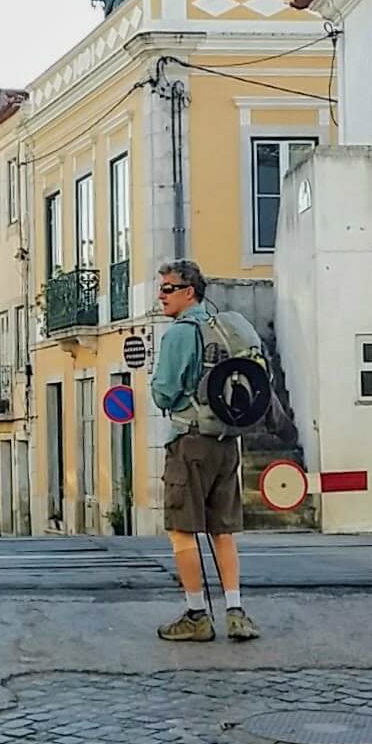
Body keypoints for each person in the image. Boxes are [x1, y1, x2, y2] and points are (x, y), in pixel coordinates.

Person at [149, 260, 262, 643]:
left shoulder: (180, 334)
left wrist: (169, 395)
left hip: (190, 440)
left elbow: (164, 391)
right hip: (227, 441)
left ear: (188, 291)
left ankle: (197, 613)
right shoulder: (226, 326)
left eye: (167, 288)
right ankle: (235, 611)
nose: (160, 295)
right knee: (223, 531)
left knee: (182, 530)